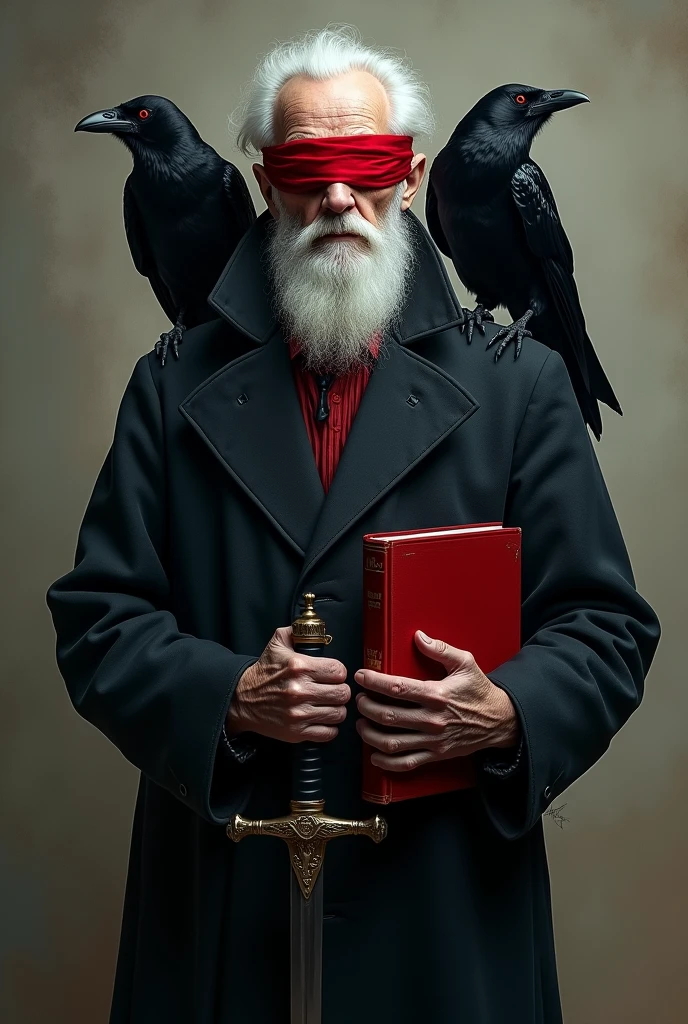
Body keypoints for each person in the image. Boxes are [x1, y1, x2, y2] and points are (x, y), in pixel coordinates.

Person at [46, 25, 661, 1024]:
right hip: (226, 897)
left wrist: (505, 712)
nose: (337, 198)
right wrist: (228, 697)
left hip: (446, 905)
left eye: (366, 168)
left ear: (411, 177)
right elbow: (98, 618)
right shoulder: (169, 387)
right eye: (307, 169)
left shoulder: (522, 383)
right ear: (263, 178)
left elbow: (605, 626)